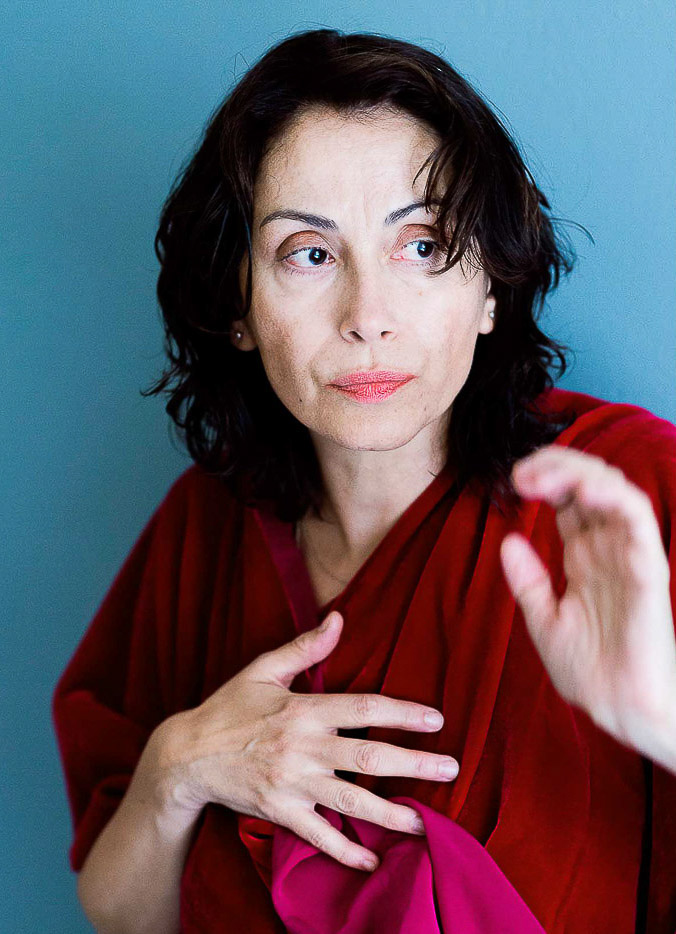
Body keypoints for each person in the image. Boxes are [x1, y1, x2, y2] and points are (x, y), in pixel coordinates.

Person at [51, 28, 676, 934]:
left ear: (490, 288)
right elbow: (124, 917)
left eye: (422, 244)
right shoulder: (202, 529)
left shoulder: (627, 495)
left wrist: (662, 719)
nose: (368, 316)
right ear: (238, 305)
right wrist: (178, 767)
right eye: (309, 253)